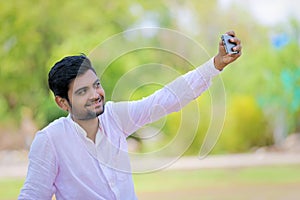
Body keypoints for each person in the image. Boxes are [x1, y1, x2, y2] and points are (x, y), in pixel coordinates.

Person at [18, 31, 242, 200]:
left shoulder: (115, 117)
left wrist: (216, 65)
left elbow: (165, 99)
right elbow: (33, 195)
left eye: (96, 85)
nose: (95, 95)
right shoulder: (50, 140)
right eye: (82, 91)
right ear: (62, 102)